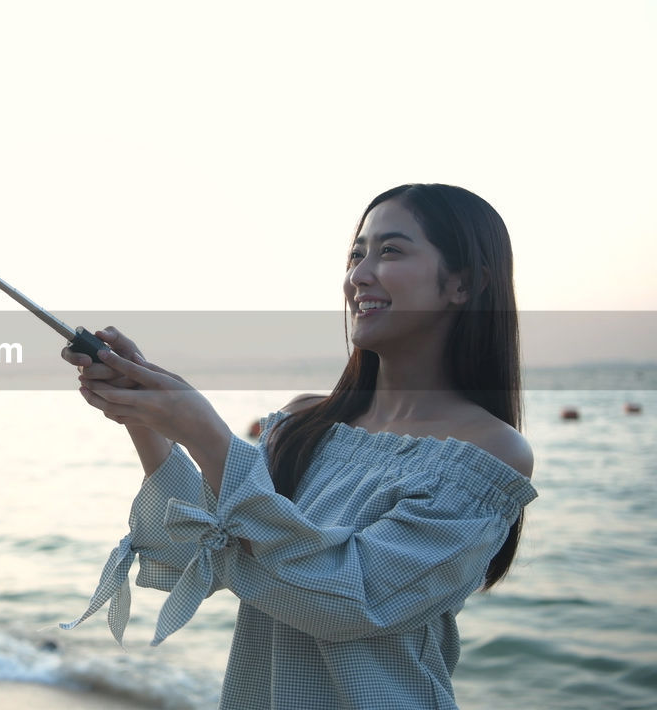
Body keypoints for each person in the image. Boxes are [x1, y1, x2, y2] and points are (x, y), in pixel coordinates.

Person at [58, 183, 537, 710]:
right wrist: (144, 416)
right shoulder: (304, 423)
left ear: (464, 284)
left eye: (391, 251)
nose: (359, 275)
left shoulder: (487, 452)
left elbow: (349, 601)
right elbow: (193, 554)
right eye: (357, 254)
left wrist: (203, 433)